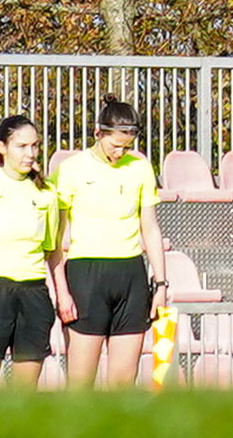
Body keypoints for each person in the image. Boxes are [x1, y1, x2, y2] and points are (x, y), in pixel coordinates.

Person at [55, 97, 164, 390]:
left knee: (122, 387)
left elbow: (150, 227)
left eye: (127, 147)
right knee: (80, 386)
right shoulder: (71, 169)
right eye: (115, 145)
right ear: (98, 133)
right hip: (85, 274)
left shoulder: (140, 168)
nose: (120, 152)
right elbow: (57, 237)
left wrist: (161, 284)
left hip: (130, 275)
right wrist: (62, 292)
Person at [0, 114, 69, 393]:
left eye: (35, 146)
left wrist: (62, 293)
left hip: (32, 294)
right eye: (22, 146)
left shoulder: (46, 194)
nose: (30, 153)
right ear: (2, 147)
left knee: (24, 394)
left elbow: (52, 251)